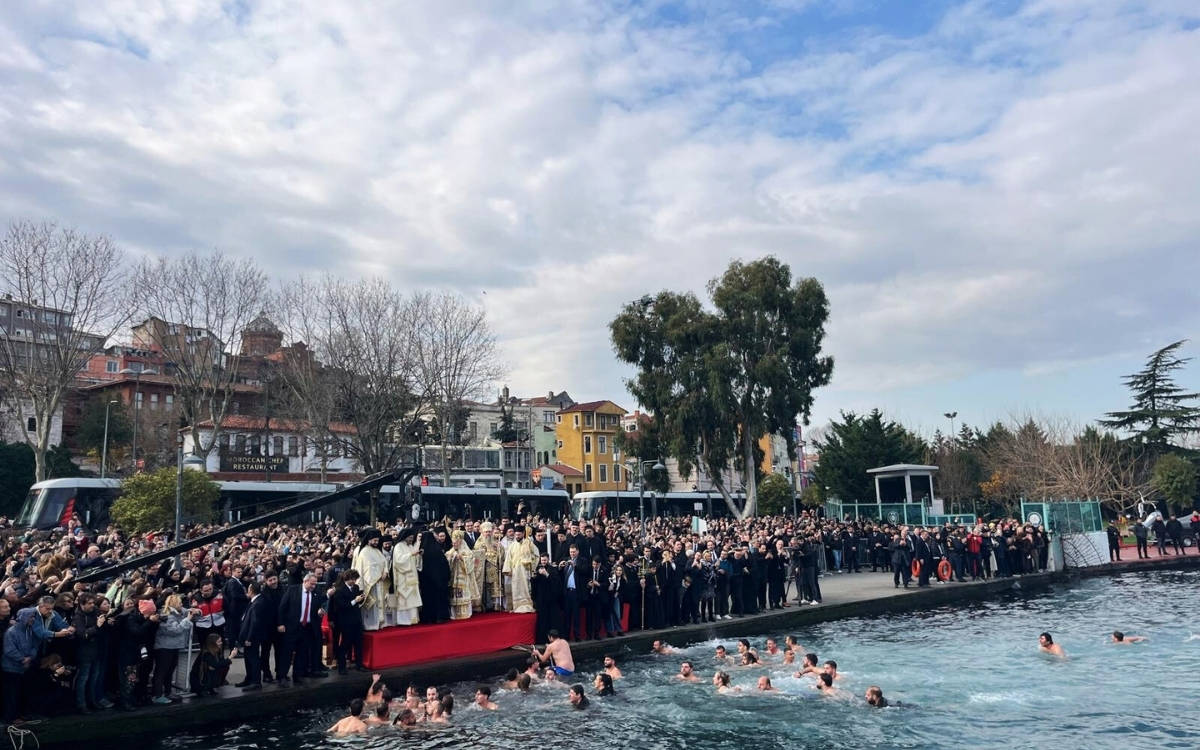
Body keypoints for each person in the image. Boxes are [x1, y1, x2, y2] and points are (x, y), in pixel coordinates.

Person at [277, 573, 328, 686]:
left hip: (307, 628)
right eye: (312, 584)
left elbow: (317, 607)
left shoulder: (315, 593)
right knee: (287, 653)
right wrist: (280, 623)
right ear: (305, 581)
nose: (313, 586)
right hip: (292, 627)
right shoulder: (293, 590)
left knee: (302, 653)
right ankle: (282, 677)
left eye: (315, 584)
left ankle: (298, 676)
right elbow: (282, 607)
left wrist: (319, 611)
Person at [150, 594, 195, 705]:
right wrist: (188, 619)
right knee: (161, 671)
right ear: (174, 604)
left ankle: (168, 692)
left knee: (170, 671)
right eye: (179, 603)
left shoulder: (177, 613)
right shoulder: (165, 615)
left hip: (173, 647)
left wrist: (194, 610)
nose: (182, 605)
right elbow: (175, 630)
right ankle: (157, 695)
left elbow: (185, 611)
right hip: (164, 647)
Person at [327, 570, 366, 675]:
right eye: (352, 579)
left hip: (357, 620)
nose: (354, 581)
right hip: (345, 622)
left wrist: (362, 598)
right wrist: (355, 601)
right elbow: (342, 606)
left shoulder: (356, 587)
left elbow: (358, 602)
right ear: (346, 578)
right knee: (345, 644)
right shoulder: (339, 590)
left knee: (358, 643)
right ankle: (342, 667)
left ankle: (359, 665)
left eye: (355, 579)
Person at [235, 581, 270, 690]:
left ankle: (256, 682)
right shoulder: (255, 601)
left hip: (252, 637)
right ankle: (249, 678)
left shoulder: (258, 603)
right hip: (248, 636)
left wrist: (249, 638)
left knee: (253, 658)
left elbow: (255, 623)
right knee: (248, 658)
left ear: (251, 591)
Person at [352, 529, 390, 631]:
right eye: (374, 541)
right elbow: (367, 568)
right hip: (370, 583)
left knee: (380, 603)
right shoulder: (364, 552)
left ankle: (379, 622)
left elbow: (384, 563)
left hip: (379, 582)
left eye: (377, 541)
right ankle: (370, 625)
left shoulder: (378, 551)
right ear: (369, 540)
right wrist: (378, 575)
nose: (376, 543)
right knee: (371, 605)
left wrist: (385, 572)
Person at [390, 527, 422, 626]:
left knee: (412, 598)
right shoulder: (398, 546)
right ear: (405, 537)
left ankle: (413, 619)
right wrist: (411, 554)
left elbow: (415, 559)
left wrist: (418, 554)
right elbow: (399, 561)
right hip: (403, 577)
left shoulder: (410, 546)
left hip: (412, 577)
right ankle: (403, 620)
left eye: (412, 538)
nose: (411, 539)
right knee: (404, 597)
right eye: (410, 538)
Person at [446, 530, 478, 620]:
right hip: (454, 577)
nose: (454, 544)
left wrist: (461, 558)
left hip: (463, 577)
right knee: (454, 595)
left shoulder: (467, 551)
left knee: (463, 595)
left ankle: (465, 613)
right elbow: (447, 560)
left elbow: (471, 562)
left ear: (460, 541)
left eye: (456, 542)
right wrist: (451, 558)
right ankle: (454, 614)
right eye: (453, 542)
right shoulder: (450, 551)